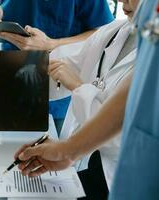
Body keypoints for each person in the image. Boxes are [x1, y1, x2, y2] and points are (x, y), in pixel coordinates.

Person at [15, 0, 159, 199]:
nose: (121, 0)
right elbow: (59, 68)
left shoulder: (151, 45)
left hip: (121, 174)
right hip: (83, 166)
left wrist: (78, 86)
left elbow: (125, 134)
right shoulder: (115, 32)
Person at [0, 0, 115, 133]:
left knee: (59, 148)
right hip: (11, 83)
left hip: (62, 93)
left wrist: (52, 44)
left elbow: (104, 33)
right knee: (3, 150)